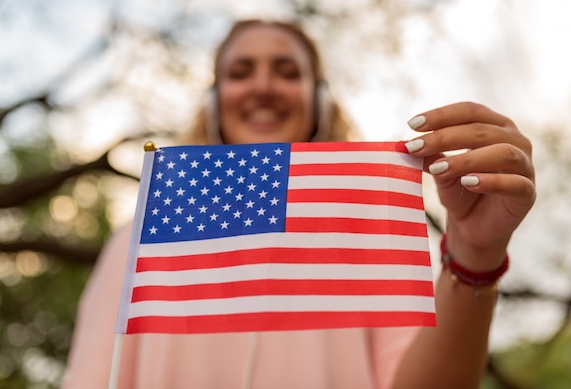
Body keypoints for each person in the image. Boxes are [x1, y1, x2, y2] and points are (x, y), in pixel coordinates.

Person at [62, 19, 536, 389]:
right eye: (240, 72)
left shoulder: (369, 231)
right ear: (213, 102)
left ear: (320, 100)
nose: (263, 86)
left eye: (288, 72)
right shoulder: (143, 235)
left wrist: (475, 254)